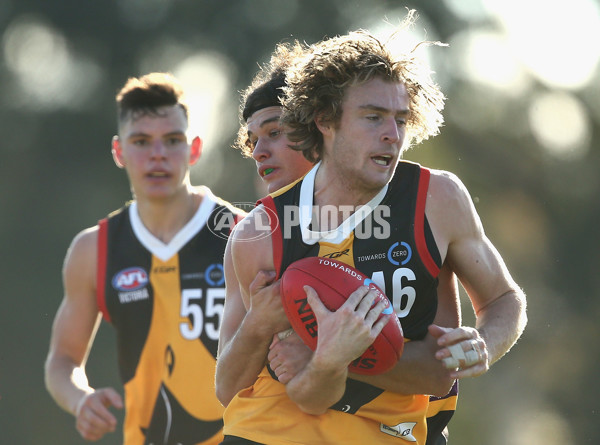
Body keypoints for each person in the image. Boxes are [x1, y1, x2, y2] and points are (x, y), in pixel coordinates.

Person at [217, 21, 511, 443]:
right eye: (373, 117)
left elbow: (496, 308)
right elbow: (229, 389)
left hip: (392, 430)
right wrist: (262, 323)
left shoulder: (437, 199)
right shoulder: (260, 232)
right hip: (267, 430)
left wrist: (484, 343)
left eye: (401, 119)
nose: (392, 134)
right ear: (325, 121)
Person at [44, 72, 245, 444]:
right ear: (119, 151)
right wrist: (80, 399)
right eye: (141, 141)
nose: (158, 155)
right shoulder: (93, 249)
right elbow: (62, 360)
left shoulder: (244, 234)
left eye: (172, 140)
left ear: (195, 148)